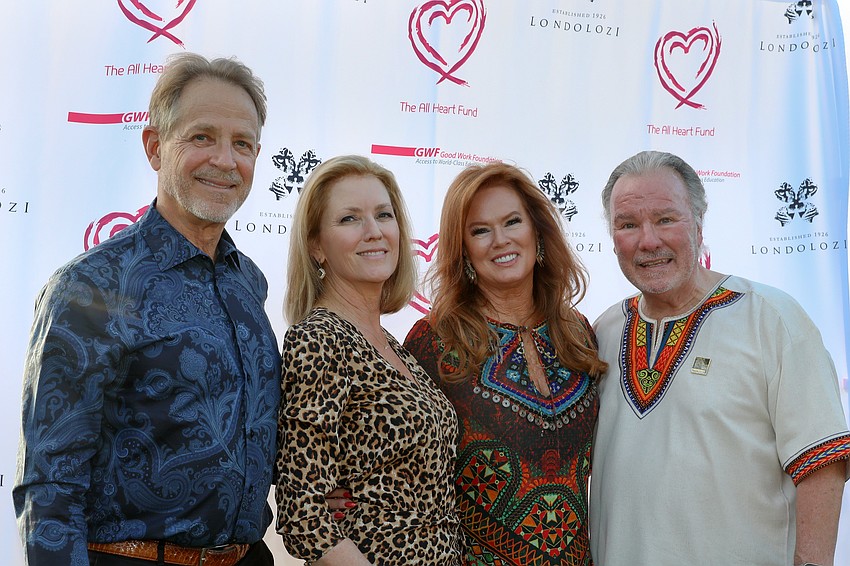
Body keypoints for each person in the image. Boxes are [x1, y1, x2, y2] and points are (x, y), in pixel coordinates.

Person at [13, 53, 280, 566]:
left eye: (242, 143)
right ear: (155, 147)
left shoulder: (249, 282)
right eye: (202, 137)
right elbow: (50, 485)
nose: (226, 160)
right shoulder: (90, 286)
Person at [590, 150, 850, 565]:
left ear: (698, 222)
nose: (648, 240)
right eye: (628, 225)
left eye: (665, 219)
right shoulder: (602, 332)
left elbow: (823, 465)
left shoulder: (771, 318)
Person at [403, 162, 608, 565]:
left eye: (512, 222)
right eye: (480, 230)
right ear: (463, 249)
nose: (500, 240)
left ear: (537, 232)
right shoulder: (434, 340)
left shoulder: (578, 332)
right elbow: (398, 464)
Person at [275, 155, 462, 565]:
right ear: (316, 246)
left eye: (383, 215)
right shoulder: (320, 340)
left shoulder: (393, 346)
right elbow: (303, 513)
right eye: (350, 219)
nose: (374, 231)